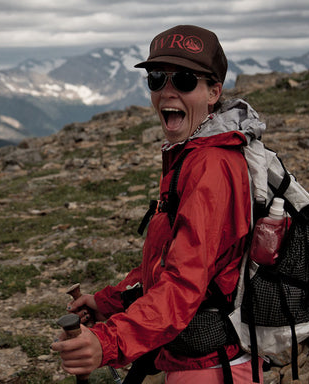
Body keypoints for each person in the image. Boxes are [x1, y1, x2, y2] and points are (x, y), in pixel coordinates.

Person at [51, 25, 266, 383]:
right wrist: (108, 301)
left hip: (212, 370)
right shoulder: (190, 155)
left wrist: (107, 342)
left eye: (183, 80)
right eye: (156, 79)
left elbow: (182, 287)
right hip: (193, 361)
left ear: (214, 92)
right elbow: (169, 260)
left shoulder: (211, 166)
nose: (167, 91)